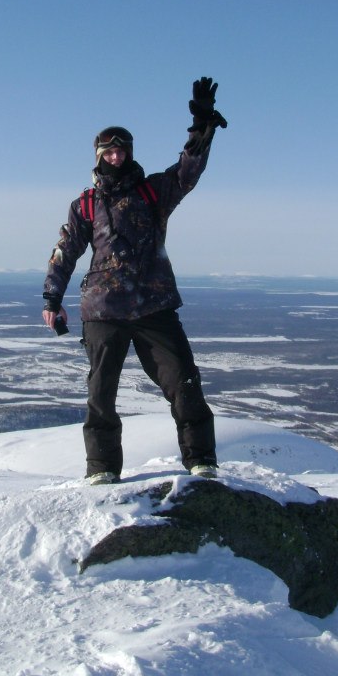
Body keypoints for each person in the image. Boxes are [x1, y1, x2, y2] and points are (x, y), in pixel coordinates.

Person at [42, 77, 227, 485]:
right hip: (103, 309)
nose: (115, 156)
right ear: (98, 156)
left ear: (129, 153)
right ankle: (102, 469)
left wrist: (201, 128)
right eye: (109, 151)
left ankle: (201, 460)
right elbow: (65, 251)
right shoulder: (85, 204)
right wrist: (51, 299)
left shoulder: (153, 191)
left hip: (153, 305)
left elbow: (187, 173)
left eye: (121, 150)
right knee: (101, 393)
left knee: (183, 381)